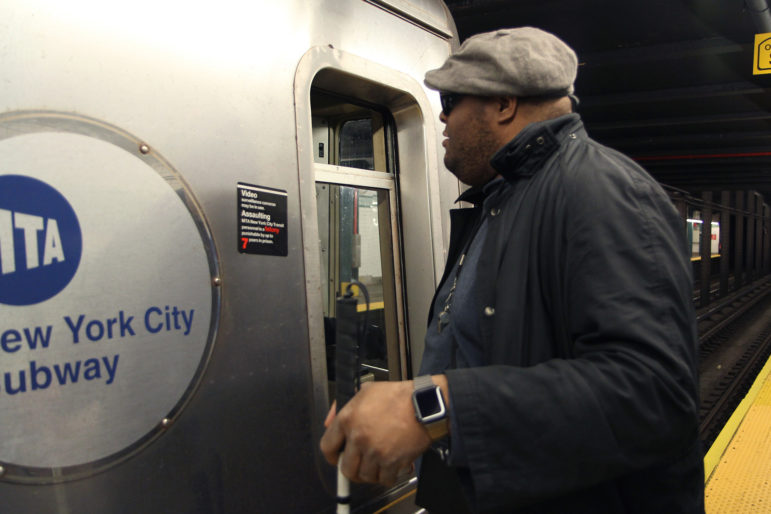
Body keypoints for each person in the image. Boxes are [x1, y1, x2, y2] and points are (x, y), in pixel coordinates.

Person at [320, 27, 704, 513]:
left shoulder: (603, 193)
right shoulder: (499, 203)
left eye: (451, 99)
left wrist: (432, 409)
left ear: (503, 104)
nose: (441, 115)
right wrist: (406, 422)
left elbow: (654, 395)